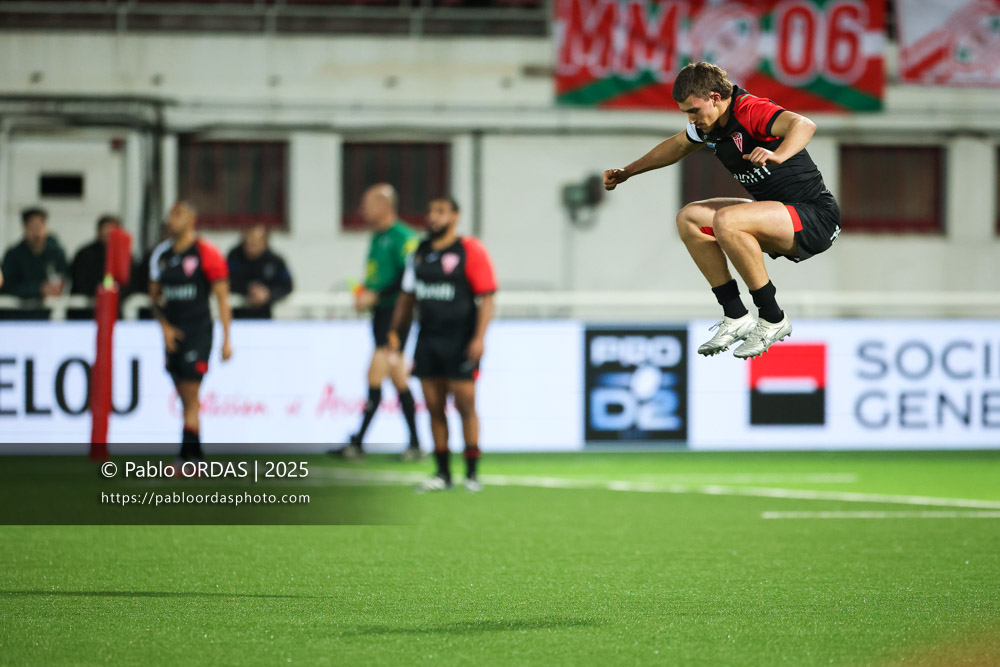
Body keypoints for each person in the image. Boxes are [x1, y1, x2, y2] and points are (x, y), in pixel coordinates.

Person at [603, 62, 841, 359]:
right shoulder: (709, 124)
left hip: (815, 218)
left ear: (715, 98)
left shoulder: (749, 111)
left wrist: (778, 155)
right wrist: (627, 172)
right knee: (689, 218)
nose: (691, 119)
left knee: (727, 220)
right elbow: (677, 146)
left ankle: (772, 317)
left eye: (694, 110)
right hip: (774, 216)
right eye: (686, 113)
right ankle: (735, 314)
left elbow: (804, 125)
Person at [387, 197, 497, 492]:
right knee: (434, 406)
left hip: (460, 340)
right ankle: (443, 473)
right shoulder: (419, 253)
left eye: (440, 212)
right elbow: (407, 297)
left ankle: (472, 473)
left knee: (465, 405)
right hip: (428, 339)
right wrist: (395, 332)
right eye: (430, 211)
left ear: (455, 216)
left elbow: (487, 296)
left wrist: (479, 337)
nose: (433, 217)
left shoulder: (469, 250)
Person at [336, 183, 422, 461]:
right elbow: (381, 276)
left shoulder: (402, 236)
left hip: (396, 314)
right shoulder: (377, 237)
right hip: (381, 314)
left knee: (374, 375)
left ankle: (358, 442)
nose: (362, 209)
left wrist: (377, 294)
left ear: (385, 205)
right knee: (398, 379)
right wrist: (366, 294)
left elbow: (409, 274)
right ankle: (416, 444)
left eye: (368, 203)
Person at [148, 201, 233, 463]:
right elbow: (154, 299)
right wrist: (164, 327)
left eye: (178, 215)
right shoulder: (161, 255)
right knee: (185, 397)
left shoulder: (206, 252)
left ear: (191, 220)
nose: (171, 219)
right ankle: (193, 454)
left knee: (190, 393)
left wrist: (227, 339)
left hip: (198, 332)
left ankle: (189, 456)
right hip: (173, 335)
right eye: (171, 214)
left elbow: (222, 299)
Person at [227, 223, 293, 319]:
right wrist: (248, 290)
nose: (249, 246)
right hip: (237, 315)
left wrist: (268, 294)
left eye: (254, 243)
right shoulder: (234, 257)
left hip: (264, 316)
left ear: (265, 242)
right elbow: (224, 282)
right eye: (246, 242)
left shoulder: (275, 261)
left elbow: (287, 286)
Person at [1, 207, 68, 300]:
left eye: (40, 226)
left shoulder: (56, 252)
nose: (37, 232)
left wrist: (58, 287)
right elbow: (7, 287)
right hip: (20, 307)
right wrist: (39, 289)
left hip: (50, 306)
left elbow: (65, 277)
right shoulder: (13, 255)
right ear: (25, 227)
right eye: (32, 227)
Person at [70, 215, 120, 297]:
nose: (109, 233)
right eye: (106, 228)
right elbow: (80, 283)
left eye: (113, 229)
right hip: (87, 301)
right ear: (99, 231)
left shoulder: (124, 257)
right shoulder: (85, 254)